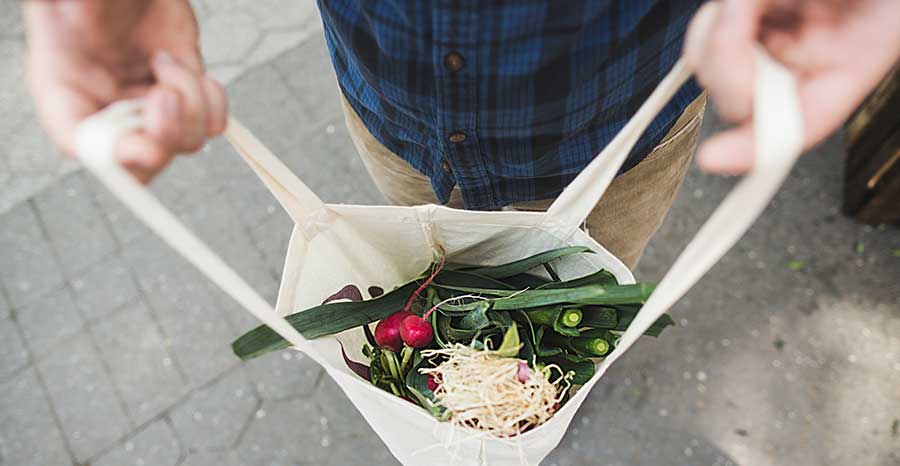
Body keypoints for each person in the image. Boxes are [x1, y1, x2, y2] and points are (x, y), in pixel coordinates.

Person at [23, 0, 900, 269]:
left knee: (582, 287)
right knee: (433, 274)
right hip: (395, 111)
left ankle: (547, 392)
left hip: (620, 123)